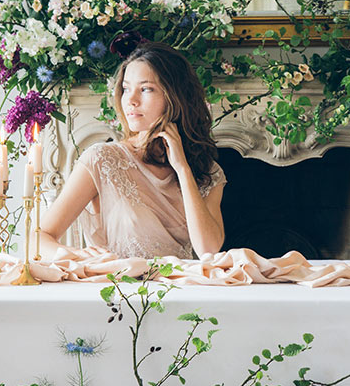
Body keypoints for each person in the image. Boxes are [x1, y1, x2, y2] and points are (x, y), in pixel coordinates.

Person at [38, 42, 226, 260]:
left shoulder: (208, 172)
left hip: (180, 289)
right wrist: (79, 256)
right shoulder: (102, 159)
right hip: (119, 289)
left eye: (146, 89)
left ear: (175, 96)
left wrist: (182, 168)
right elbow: (38, 238)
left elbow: (208, 250)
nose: (131, 100)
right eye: (126, 89)